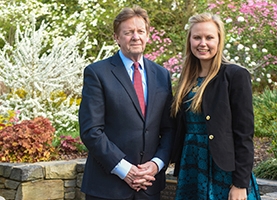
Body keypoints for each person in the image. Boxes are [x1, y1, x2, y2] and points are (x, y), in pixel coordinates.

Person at [78, 5, 175, 200]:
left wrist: (156, 164)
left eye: (140, 31)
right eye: (128, 32)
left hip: (149, 186)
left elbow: (170, 128)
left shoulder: (162, 75)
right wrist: (125, 170)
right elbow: (91, 131)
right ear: (117, 37)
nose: (135, 37)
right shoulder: (98, 73)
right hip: (107, 187)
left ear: (147, 35)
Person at [170, 12, 261, 200]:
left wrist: (240, 183)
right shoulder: (187, 80)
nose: (202, 43)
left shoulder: (235, 75)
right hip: (192, 166)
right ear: (190, 41)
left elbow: (244, 134)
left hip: (223, 170)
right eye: (197, 37)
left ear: (219, 40)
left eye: (209, 37)